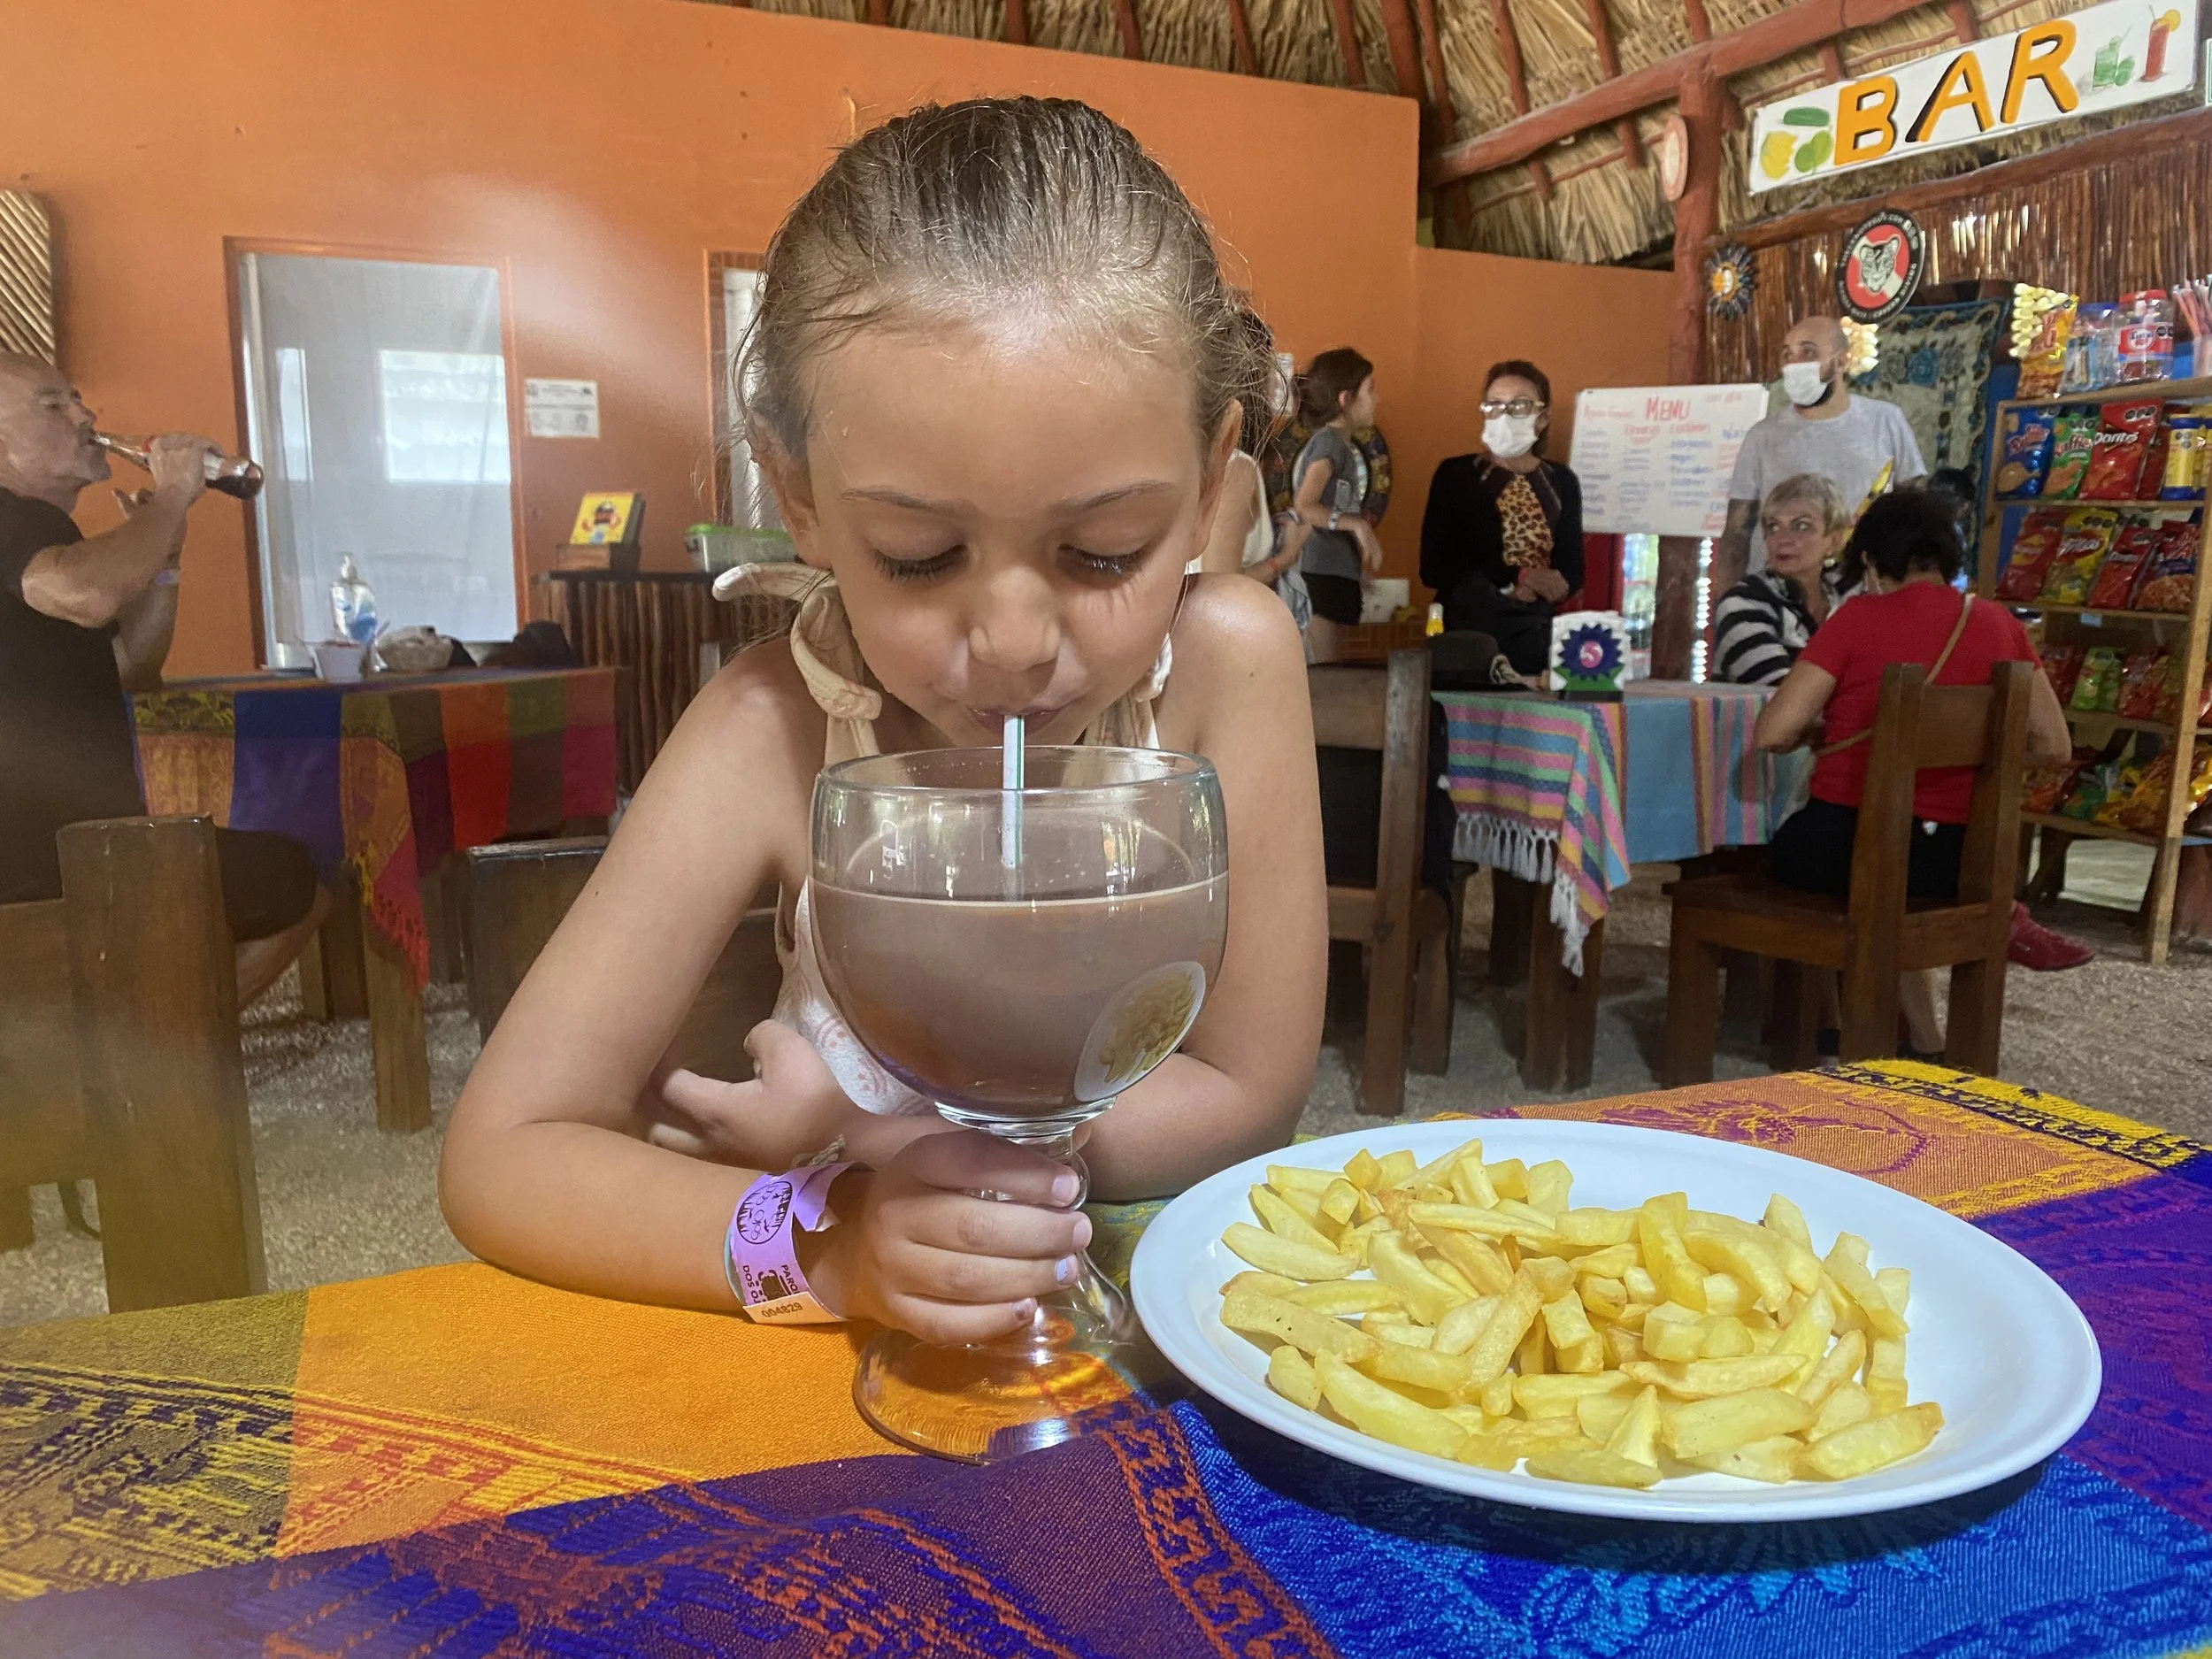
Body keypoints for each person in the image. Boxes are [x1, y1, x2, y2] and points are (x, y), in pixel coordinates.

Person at [440, 98, 1328, 1347]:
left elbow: (1247, 1093)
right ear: (798, 497)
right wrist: (832, 1239)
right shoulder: (771, 726)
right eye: (918, 555)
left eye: (1104, 549)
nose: (1013, 641)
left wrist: (877, 1134)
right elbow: (503, 1152)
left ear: (1205, 479)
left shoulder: (1225, 667)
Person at [0, 352, 329, 1006]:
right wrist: (174, 496)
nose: (85, 415)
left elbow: (132, 666)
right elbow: (85, 591)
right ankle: (175, 1040)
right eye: (52, 404)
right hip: (56, 856)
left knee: (292, 878)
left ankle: (157, 1033)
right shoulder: (17, 519)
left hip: (76, 843)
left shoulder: (40, 536)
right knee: (302, 879)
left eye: (76, 397)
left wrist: (166, 554)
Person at [1755, 489, 2072, 1056]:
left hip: (1847, 849)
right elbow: (2054, 745)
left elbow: (1772, 733)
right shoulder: (1998, 623)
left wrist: (1825, 734)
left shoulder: (1858, 619)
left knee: (1775, 852)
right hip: (1955, 859)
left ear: (1870, 561)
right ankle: (1918, 1040)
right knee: (1890, 886)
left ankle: (1820, 1024)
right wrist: (1977, 753)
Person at [1717, 315, 1925, 595]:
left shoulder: (1885, 421)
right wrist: (1726, 603)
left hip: (1861, 594)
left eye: (1808, 352)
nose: (1794, 363)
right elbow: (1737, 531)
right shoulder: (1762, 436)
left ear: (1841, 361)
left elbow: (1916, 516)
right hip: (1778, 597)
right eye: (1787, 354)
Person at [1418, 359, 1584, 677]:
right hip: (1470, 635)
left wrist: (1550, 587)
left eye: (1520, 406)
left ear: (1542, 418)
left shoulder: (1561, 481)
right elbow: (1435, 567)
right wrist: (1518, 576)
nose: (1505, 415)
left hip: (1535, 632)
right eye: (1495, 405)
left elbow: (1572, 569)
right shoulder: (1457, 475)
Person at [1288, 349, 1385, 664]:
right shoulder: (1328, 442)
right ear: (1346, 399)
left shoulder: (1340, 445)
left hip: (1333, 576)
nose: (1377, 399)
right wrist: (1358, 526)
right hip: (1318, 577)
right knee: (1327, 677)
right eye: (1370, 390)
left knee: (1335, 673)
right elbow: (1305, 505)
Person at [1713, 473, 1854, 687]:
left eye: (1801, 526)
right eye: (1773, 527)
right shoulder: (1743, 603)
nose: (1783, 539)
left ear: (1834, 541)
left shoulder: (1846, 601)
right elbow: (1781, 693)